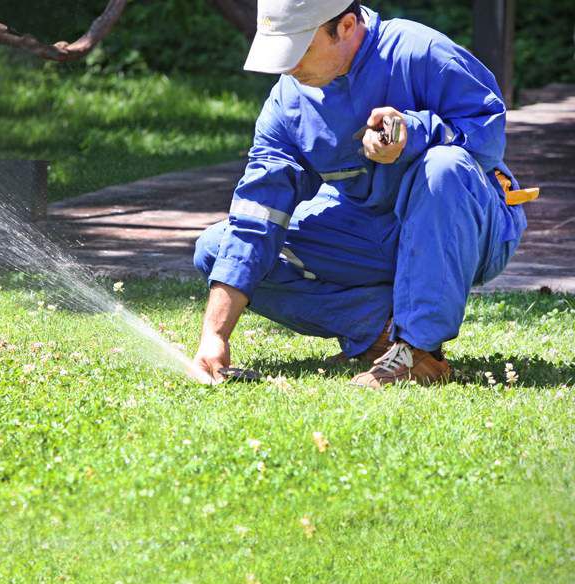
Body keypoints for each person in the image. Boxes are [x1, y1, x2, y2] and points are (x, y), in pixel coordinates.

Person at [191, 0, 527, 388]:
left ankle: (415, 350)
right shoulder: (287, 101)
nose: (288, 65)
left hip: (470, 224)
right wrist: (215, 336)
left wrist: (413, 133)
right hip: (369, 233)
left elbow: (487, 137)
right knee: (217, 249)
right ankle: (381, 331)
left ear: (346, 26)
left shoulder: (420, 50)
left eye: (299, 46)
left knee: (444, 166)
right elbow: (257, 215)